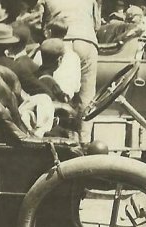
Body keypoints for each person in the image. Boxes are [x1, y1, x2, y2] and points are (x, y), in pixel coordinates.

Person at [42, 0, 101, 140]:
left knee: (58, 91)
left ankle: (62, 138)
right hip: (87, 40)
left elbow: (42, 25)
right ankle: (84, 140)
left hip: (61, 41)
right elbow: (97, 25)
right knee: (87, 96)